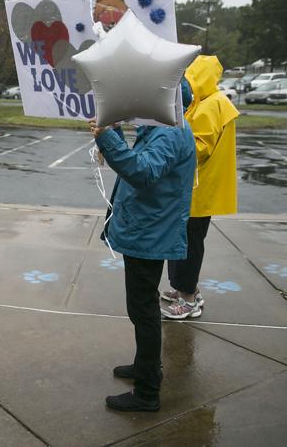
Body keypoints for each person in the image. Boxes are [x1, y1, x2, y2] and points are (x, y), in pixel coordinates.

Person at [90, 116, 196, 413]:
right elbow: (140, 161)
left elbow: (142, 171)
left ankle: (148, 391)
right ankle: (143, 366)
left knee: (143, 309)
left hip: (149, 232)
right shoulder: (162, 127)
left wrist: (107, 138)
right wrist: (114, 131)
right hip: (146, 228)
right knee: (141, 307)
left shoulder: (170, 131)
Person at [161, 56, 239, 319]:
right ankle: (186, 287)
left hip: (198, 189)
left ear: (202, 78)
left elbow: (199, 148)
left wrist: (171, 141)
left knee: (188, 245)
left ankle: (189, 298)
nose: (189, 84)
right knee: (186, 242)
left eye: (192, 78)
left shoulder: (211, 105)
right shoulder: (207, 102)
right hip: (197, 187)